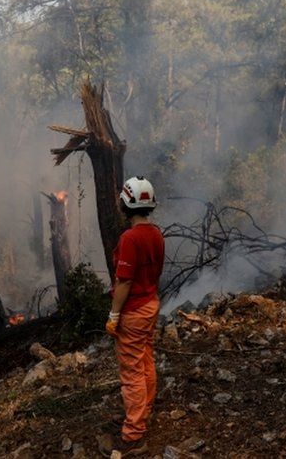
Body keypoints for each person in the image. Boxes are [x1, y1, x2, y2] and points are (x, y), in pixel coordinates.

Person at [104, 176, 164, 455]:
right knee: (145, 361)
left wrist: (114, 315)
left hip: (133, 311)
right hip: (150, 304)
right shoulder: (156, 234)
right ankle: (142, 413)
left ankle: (134, 435)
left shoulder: (130, 238)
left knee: (131, 373)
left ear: (125, 204)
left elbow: (125, 282)